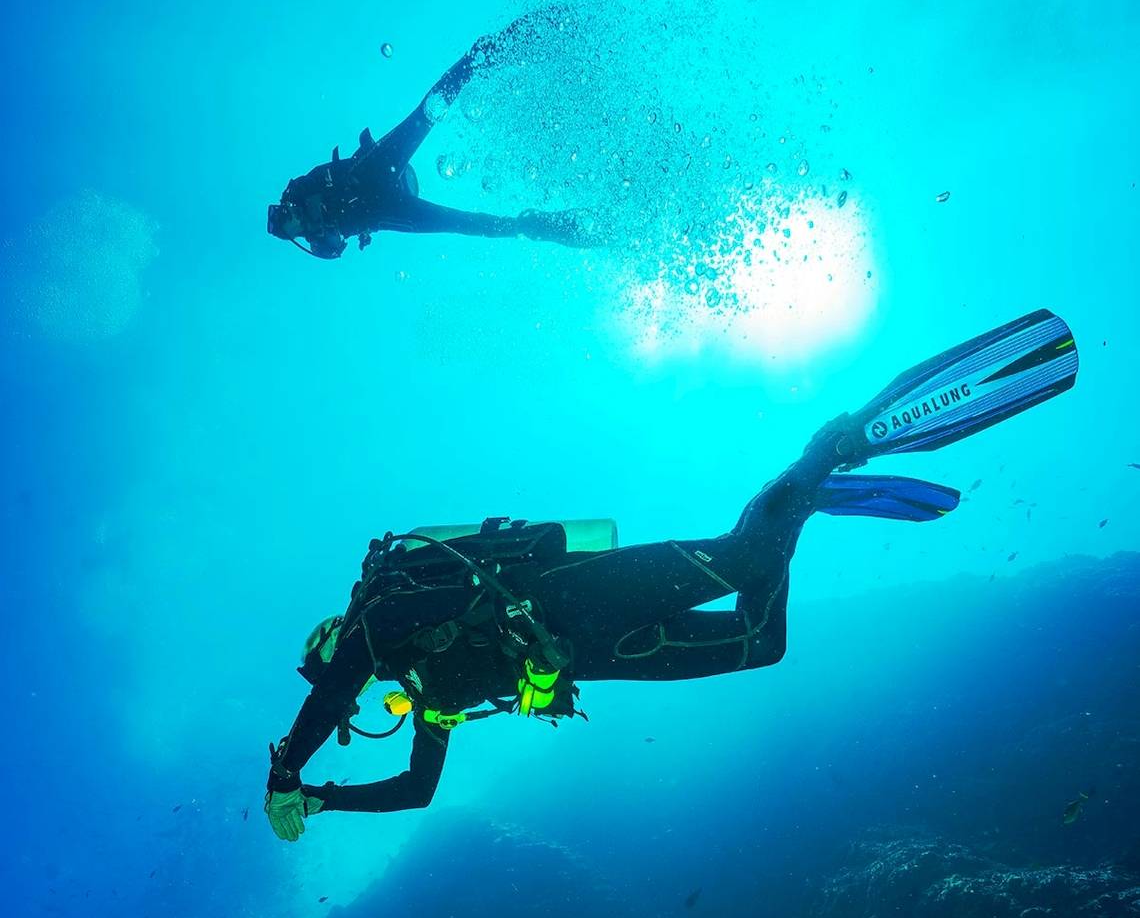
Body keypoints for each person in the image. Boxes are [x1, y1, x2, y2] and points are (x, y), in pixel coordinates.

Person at [265, 308, 1078, 839]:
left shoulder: (385, 612)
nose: (348, 676)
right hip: (595, 661)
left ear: (338, 629)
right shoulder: (428, 692)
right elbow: (417, 790)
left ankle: (823, 456)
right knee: (763, 644)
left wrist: (283, 772)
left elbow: (333, 687)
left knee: (747, 556)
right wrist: (322, 797)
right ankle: (811, 498)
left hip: (577, 594)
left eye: (330, 650)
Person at [266, 10, 599, 259]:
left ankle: (483, 56)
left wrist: (307, 208)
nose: (291, 222)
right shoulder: (311, 240)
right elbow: (335, 251)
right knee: (461, 223)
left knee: (426, 113)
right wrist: (323, 233)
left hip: (368, 173)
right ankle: (539, 226)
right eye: (289, 229)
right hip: (382, 211)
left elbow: (326, 175)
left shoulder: (297, 191)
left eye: (286, 220)